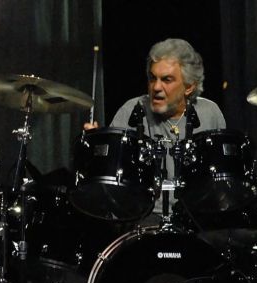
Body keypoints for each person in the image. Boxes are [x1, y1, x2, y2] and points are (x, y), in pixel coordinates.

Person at [84, 38, 226, 217]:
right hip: (144, 217)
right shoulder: (131, 110)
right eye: (152, 78)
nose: (156, 87)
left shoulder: (210, 113)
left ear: (189, 87)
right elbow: (110, 178)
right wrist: (95, 146)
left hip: (197, 216)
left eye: (167, 80)